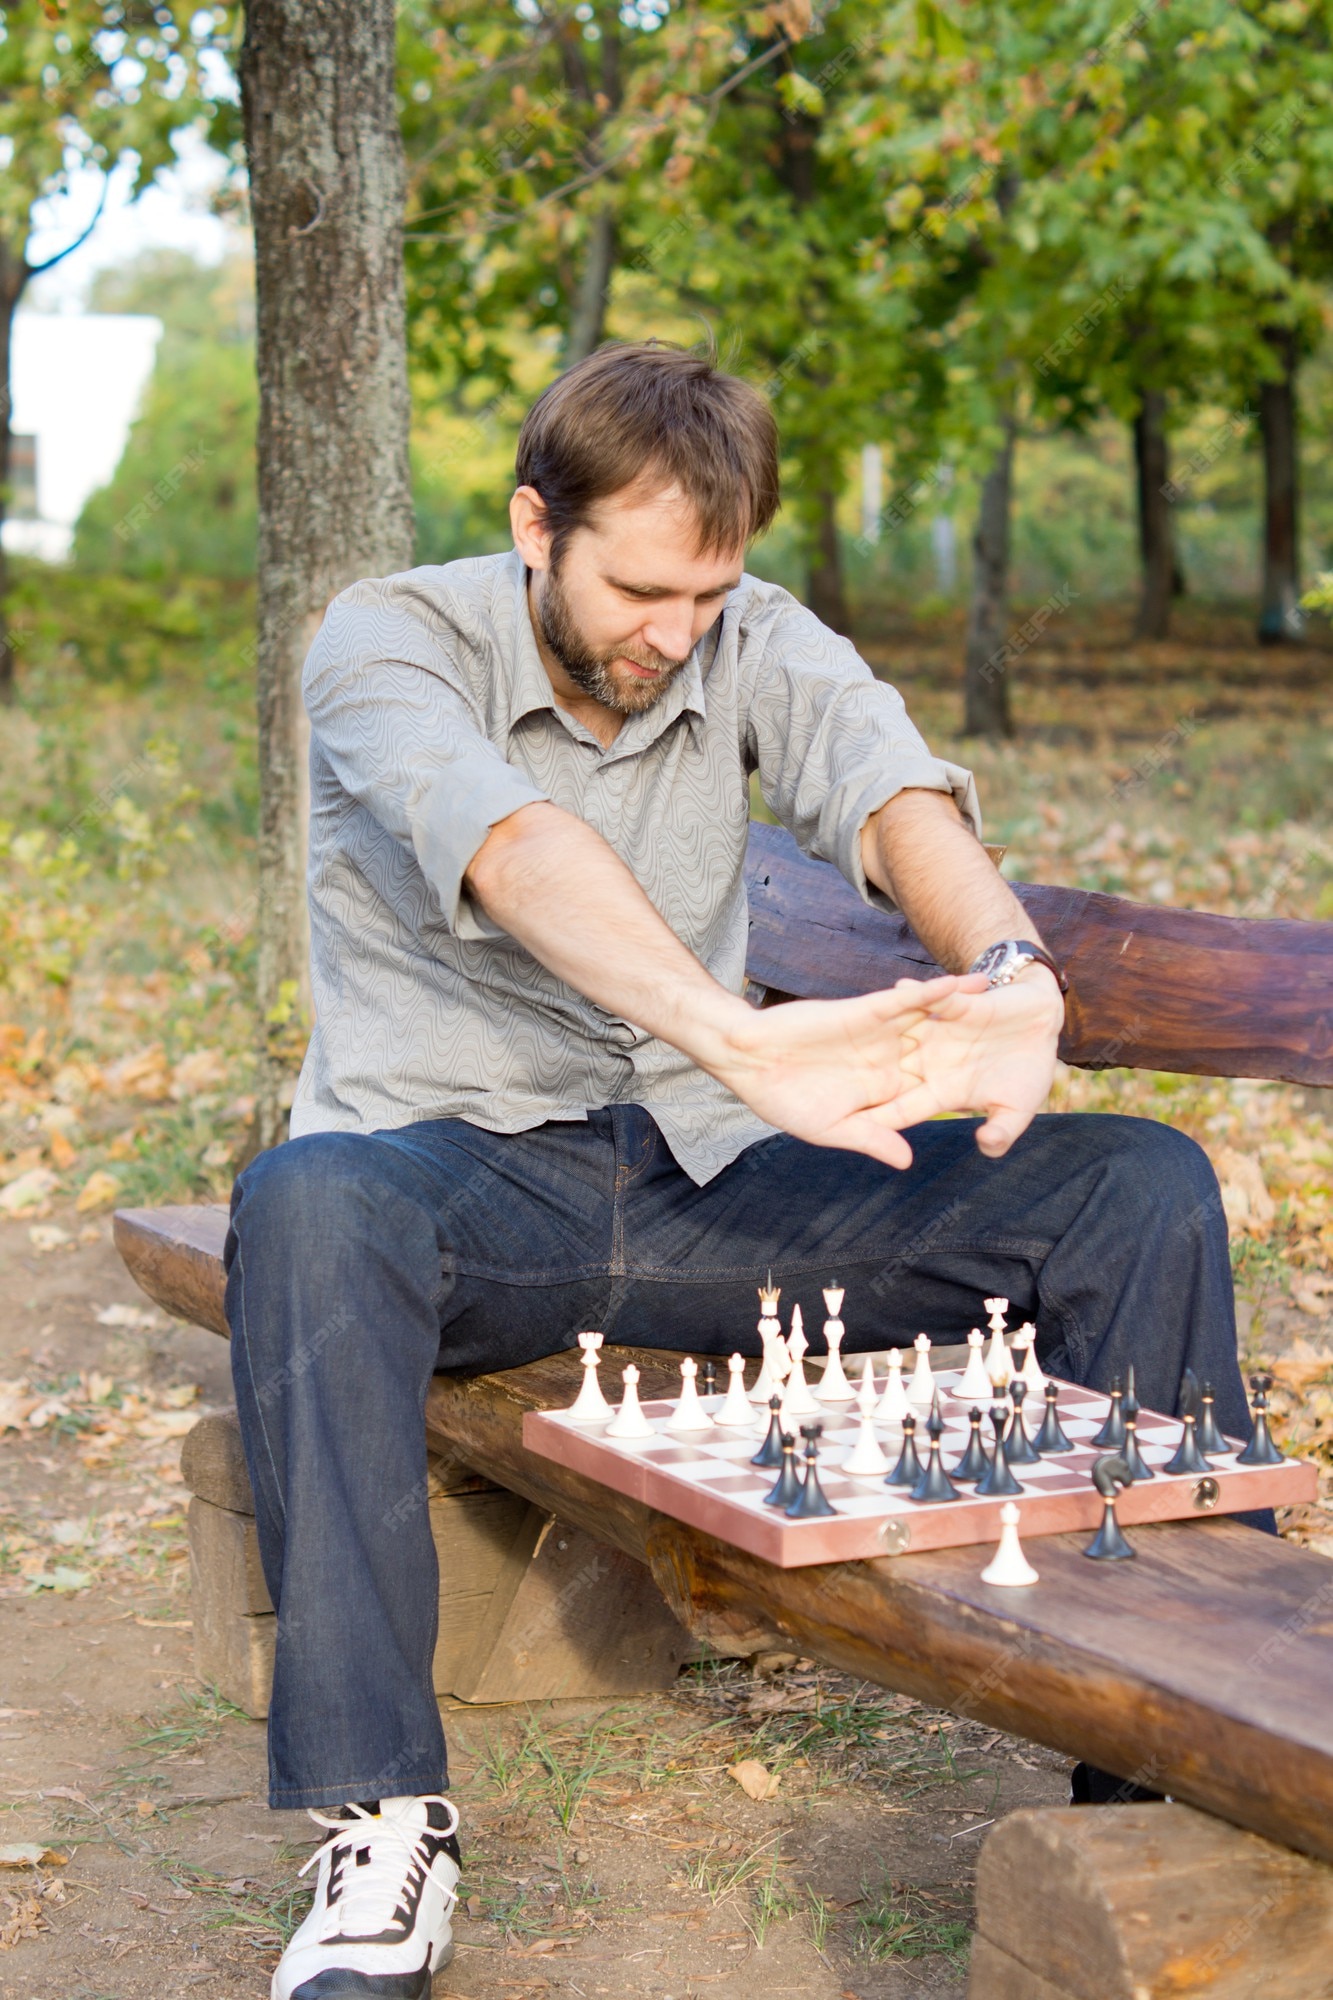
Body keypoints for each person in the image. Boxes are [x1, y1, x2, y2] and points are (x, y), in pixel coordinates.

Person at [225, 341, 1249, 2000]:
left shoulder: (744, 631)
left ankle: (1158, 1759)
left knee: (1135, 1185)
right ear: (533, 527)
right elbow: (511, 844)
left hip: (708, 1179)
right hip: (460, 1184)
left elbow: (887, 783)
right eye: (642, 590)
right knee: (307, 1206)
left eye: (708, 593)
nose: (675, 634)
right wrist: (732, 1030)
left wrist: (1009, 970)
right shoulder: (386, 640)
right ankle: (383, 1820)